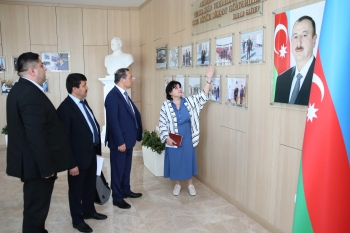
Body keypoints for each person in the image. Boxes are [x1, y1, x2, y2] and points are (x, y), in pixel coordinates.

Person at [6, 52, 70, 233]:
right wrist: (47, 168)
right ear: (33, 70)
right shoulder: (29, 93)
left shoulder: (21, 90)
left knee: (35, 209)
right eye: (42, 65)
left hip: (32, 163)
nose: (45, 68)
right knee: (36, 211)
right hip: (36, 167)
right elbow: (36, 135)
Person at [57, 73, 107, 233]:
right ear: (74, 88)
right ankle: (77, 220)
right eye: (84, 85)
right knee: (76, 190)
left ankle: (89, 211)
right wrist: (71, 164)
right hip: (77, 159)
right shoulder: (65, 109)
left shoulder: (83, 103)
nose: (87, 87)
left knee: (89, 185)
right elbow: (64, 140)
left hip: (90, 153)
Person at [158, 66, 214, 196]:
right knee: (176, 159)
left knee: (188, 159)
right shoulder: (166, 105)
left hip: (188, 135)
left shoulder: (189, 101)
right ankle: (177, 185)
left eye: (180, 87)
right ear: (170, 92)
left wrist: (209, 79)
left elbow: (203, 95)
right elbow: (162, 123)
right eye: (176, 88)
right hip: (174, 137)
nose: (179, 89)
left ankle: (190, 185)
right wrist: (167, 138)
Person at [105, 68, 142, 209]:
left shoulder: (123, 94)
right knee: (118, 170)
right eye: (130, 77)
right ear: (122, 79)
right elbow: (113, 122)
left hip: (128, 140)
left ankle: (125, 190)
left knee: (126, 169)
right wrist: (120, 141)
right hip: (120, 142)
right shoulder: (112, 97)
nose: (133, 79)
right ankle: (117, 197)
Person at [274, 16, 317, 106]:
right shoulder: (281, 79)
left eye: (304, 35)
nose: (299, 43)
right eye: (295, 36)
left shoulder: (323, 78)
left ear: (314, 40)